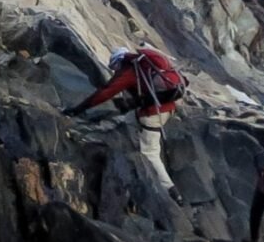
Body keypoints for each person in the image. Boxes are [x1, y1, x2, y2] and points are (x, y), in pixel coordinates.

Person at [62, 45, 185, 200]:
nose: (116, 71)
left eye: (115, 68)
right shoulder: (146, 64)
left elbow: (105, 92)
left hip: (153, 113)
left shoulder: (130, 71)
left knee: (150, 152)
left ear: (118, 62)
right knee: (127, 119)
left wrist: (78, 109)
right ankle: (112, 138)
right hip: (166, 107)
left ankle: (171, 191)